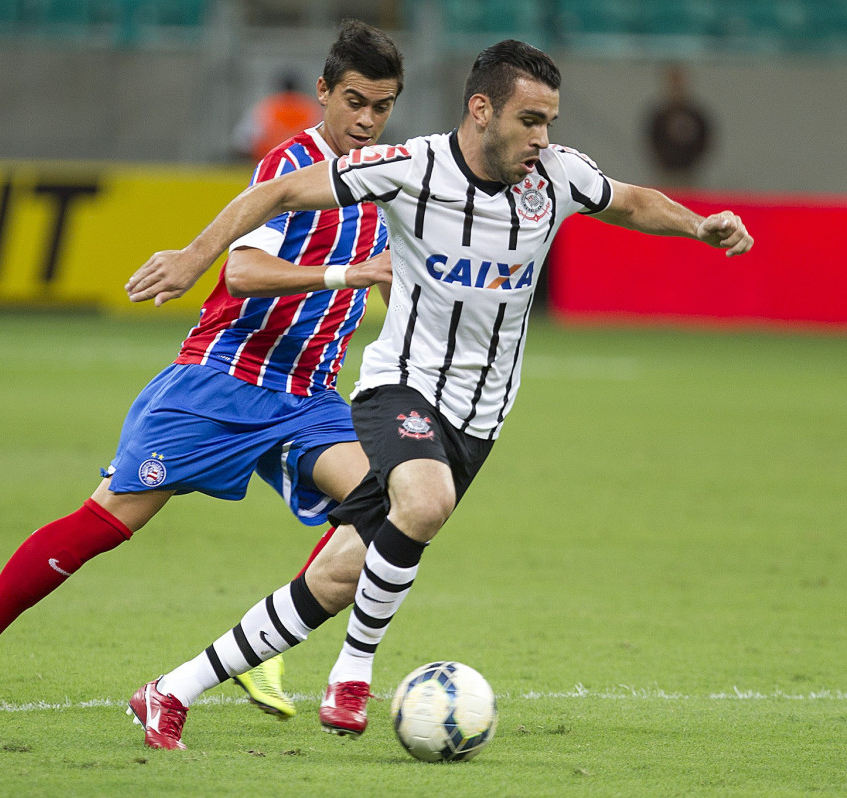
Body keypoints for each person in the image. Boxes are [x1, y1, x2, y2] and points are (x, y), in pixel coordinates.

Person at [124, 38, 753, 750]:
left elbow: (631, 201)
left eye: (550, 120)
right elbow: (276, 191)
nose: (542, 137)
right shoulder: (412, 167)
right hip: (400, 386)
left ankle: (169, 691)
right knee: (424, 503)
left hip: (479, 417)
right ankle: (352, 674)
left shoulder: (558, 176)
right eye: (530, 119)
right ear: (481, 110)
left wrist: (700, 226)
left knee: (337, 576)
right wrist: (193, 255)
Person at [0, 19, 404, 727]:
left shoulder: (386, 178)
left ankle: (264, 642)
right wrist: (350, 272)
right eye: (355, 101)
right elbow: (241, 271)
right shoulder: (289, 168)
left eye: (382, 105)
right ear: (323, 93)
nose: (366, 120)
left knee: (382, 504)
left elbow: (392, 279)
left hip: (308, 397)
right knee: (105, 522)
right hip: (224, 379)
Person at [233, 73, 325, 163]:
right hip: (306, 165)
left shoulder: (266, 107)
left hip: (269, 165)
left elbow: (243, 142)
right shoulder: (312, 108)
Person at [646, 65, 712, 187]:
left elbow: (704, 138)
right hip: (666, 171)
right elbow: (653, 139)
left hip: (688, 171)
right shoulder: (661, 115)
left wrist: (693, 162)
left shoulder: (694, 113)